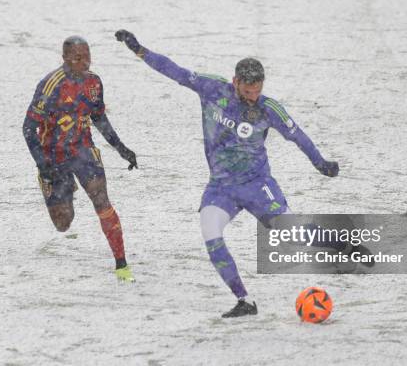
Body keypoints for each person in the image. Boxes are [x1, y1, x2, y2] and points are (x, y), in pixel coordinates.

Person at [115, 30, 341, 316]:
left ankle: (340, 243)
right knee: (210, 232)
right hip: (221, 187)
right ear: (235, 82)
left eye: (257, 91)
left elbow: (298, 136)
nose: (252, 98)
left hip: (257, 185)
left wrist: (321, 163)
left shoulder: (269, 109)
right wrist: (141, 51)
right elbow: (175, 71)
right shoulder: (212, 89)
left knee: (291, 233)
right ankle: (244, 301)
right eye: (247, 92)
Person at [23, 35, 137, 282]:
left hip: (83, 151)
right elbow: (28, 128)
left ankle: (121, 265)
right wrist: (43, 167)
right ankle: (60, 187)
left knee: (102, 201)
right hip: (53, 157)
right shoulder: (50, 85)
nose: (83, 63)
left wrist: (121, 148)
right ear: (64, 58)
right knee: (63, 223)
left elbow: (99, 118)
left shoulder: (94, 83)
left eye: (87, 57)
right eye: (77, 58)